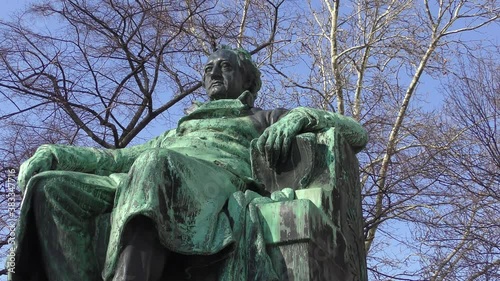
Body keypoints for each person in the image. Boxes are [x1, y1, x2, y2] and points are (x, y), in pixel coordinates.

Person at [9, 47, 367, 281]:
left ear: (248, 81)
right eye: (208, 68)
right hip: (152, 175)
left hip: (214, 183)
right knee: (51, 187)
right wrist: (56, 154)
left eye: (225, 66)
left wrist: (299, 117)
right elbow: (117, 159)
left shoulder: (260, 115)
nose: (213, 73)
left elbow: (357, 134)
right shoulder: (179, 130)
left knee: (155, 164)